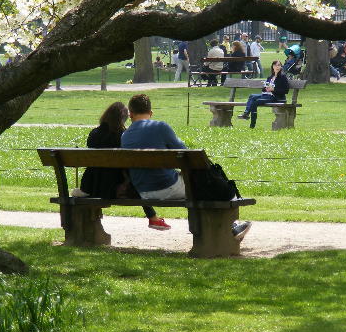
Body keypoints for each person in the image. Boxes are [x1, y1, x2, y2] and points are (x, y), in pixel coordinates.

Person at [121, 94, 252, 240]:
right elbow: (186, 153)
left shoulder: (125, 136)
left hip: (143, 192)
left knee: (201, 183)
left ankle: (228, 227)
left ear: (130, 114)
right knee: (213, 184)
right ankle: (232, 226)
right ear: (151, 113)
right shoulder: (160, 127)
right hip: (167, 188)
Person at [73, 102, 169, 230]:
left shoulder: (94, 134)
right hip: (113, 187)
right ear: (123, 118)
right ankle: (152, 217)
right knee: (136, 178)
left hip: (90, 186)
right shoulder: (124, 136)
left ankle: (153, 217)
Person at [238, 60, 288, 128]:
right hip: (267, 95)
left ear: (281, 67)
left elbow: (285, 90)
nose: (277, 67)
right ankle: (246, 113)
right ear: (273, 67)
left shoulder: (283, 77)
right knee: (252, 96)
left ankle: (252, 125)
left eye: (279, 65)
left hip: (276, 97)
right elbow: (264, 88)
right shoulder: (270, 77)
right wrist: (266, 88)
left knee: (255, 102)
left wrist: (273, 89)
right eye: (275, 65)